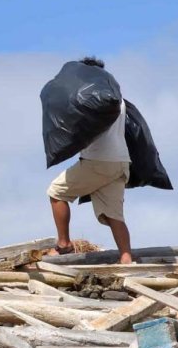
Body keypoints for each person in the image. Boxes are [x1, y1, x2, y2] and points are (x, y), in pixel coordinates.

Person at [45, 57, 134, 263]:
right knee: (114, 215)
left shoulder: (89, 98)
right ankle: (126, 258)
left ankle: (64, 244)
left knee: (57, 192)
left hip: (98, 161)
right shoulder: (117, 100)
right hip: (120, 163)